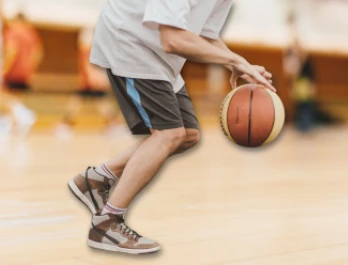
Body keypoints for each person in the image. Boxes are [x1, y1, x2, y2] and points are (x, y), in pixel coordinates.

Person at [66, 0, 275, 254]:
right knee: (169, 134)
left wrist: (236, 62)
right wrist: (233, 59)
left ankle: (96, 179)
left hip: (158, 54)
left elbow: (205, 36)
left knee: (187, 135)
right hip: (130, 42)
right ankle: (106, 224)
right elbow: (172, 40)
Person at [55, 27, 123, 138]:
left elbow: (89, 67)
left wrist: (94, 80)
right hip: (88, 83)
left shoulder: (88, 51)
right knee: (98, 104)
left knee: (91, 103)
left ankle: (66, 125)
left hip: (91, 83)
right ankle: (113, 124)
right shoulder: (91, 50)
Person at [0, 12, 41, 138]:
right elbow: (38, 52)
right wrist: (32, 68)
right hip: (26, 71)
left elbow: (12, 50)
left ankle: (23, 114)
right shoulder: (31, 34)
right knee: (12, 95)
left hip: (13, 70)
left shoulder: (12, 32)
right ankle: (13, 122)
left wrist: (4, 68)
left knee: (3, 94)